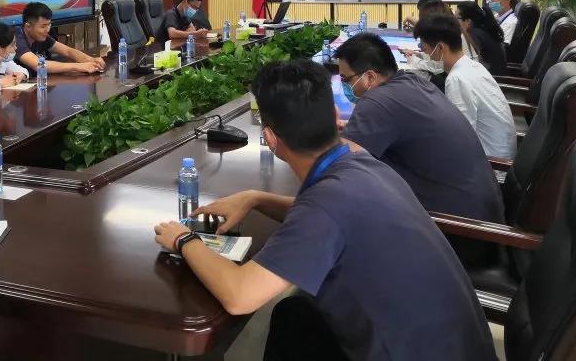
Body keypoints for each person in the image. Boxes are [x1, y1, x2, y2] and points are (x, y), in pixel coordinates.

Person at [153, 60, 496, 361]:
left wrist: (184, 239)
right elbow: (329, 219)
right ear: (334, 117)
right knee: (295, 315)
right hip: (461, 347)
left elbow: (240, 296)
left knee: (295, 316)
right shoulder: (362, 164)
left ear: (270, 139)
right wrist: (256, 199)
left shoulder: (328, 204)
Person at [336, 33, 504, 223]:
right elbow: (394, 123)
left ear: (370, 77)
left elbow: (341, 166)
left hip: (458, 226)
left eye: (345, 78)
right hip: (484, 208)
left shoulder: (376, 101)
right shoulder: (414, 82)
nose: (344, 85)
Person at [414, 15, 516, 159]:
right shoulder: (471, 65)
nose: (427, 55)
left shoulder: (457, 79)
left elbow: (459, 140)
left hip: (491, 163)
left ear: (440, 47)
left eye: (425, 50)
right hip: (498, 151)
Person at [15, 2, 105, 75]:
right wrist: (79, 66)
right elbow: (38, 65)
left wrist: (91, 60)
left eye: (49, 25)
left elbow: (67, 51)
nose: (47, 29)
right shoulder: (16, 39)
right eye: (43, 26)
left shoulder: (40, 35)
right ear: (28, 26)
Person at [455, 1, 507, 76]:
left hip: (490, 78)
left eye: (457, 18)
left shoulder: (474, 35)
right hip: (491, 75)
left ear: (468, 21)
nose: (454, 21)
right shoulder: (484, 30)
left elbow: (468, 63)